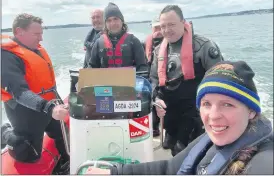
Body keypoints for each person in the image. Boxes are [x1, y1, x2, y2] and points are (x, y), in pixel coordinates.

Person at [85, 60, 274, 175]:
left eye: (228, 104)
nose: (214, 116)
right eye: (207, 104)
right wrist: (114, 172)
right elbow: (169, 169)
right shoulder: (209, 140)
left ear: (251, 111)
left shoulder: (263, 161)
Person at [149, 5, 224, 156]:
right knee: (173, 150)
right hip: (170, 112)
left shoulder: (203, 46)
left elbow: (221, 78)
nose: (167, 30)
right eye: (163, 26)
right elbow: (154, 80)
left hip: (195, 112)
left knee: (188, 152)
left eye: (171, 24)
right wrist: (156, 99)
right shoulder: (158, 51)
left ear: (183, 22)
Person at [1, 13, 69, 169]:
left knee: (63, 136)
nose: (41, 39)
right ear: (19, 32)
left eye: (41, 34)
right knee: (28, 155)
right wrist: (50, 108)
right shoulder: (6, 57)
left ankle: (67, 163)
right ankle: (5, 132)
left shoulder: (36, 49)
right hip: (25, 112)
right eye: (36, 34)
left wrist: (58, 103)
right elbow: (20, 93)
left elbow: (49, 84)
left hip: (48, 105)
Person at [88, 2, 148, 72]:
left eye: (115, 19)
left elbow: (143, 67)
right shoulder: (98, 43)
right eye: (109, 20)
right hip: (105, 82)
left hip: (129, 81)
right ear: (105, 24)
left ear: (122, 21)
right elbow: (92, 67)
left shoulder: (133, 41)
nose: (113, 23)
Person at [143, 15, 164, 137]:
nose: (158, 31)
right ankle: (155, 127)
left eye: (159, 28)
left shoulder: (170, 43)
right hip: (151, 77)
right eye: (155, 28)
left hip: (166, 79)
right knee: (152, 101)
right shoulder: (145, 43)